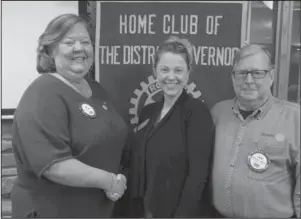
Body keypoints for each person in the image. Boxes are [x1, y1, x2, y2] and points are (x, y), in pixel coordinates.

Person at [11, 14, 128, 218]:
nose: (79, 48)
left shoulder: (96, 89)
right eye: (68, 42)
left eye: (85, 42)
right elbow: (54, 165)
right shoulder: (43, 93)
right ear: (50, 49)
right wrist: (110, 181)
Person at [124, 36, 214, 218]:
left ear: (188, 73)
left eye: (178, 70)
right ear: (155, 72)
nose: (171, 77)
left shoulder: (196, 113)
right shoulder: (148, 111)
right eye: (164, 69)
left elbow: (197, 177)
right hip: (142, 211)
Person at [211, 44, 300, 218]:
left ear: (271, 76)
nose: (249, 80)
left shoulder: (295, 118)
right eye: (242, 73)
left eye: (258, 73)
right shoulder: (217, 113)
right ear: (232, 77)